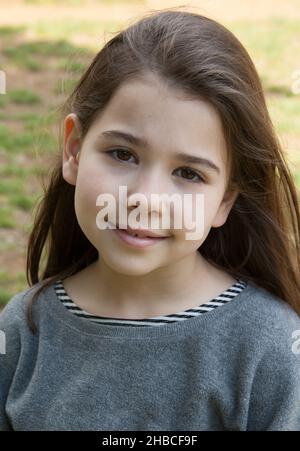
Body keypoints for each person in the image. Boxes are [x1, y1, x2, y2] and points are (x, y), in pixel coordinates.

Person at [1, 9, 300, 431]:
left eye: (188, 174)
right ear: (73, 150)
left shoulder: (271, 347)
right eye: (123, 154)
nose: (144, 200)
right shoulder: (22, 331)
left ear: (223, 201)